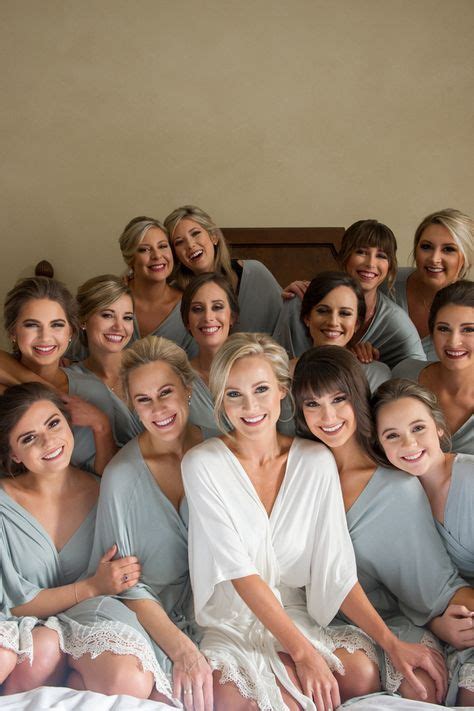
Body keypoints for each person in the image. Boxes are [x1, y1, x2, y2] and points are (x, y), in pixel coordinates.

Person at [182, 332, 446, 711]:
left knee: (361, 673)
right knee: (277, 695)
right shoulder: (201, 464)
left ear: (282, 391)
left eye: (260, 389)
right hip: (232, 620)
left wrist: (391, 642)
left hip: (296, 612)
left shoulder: (314, 460)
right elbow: (239, 572)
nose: (250, 406)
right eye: (234, 394)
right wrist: (303, 654)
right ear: (220, 399)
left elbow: (336, 571)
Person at [291, 345, 474, 702]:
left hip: (384, 618)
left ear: (358, 396)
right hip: (306, 610)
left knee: (420, 685)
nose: (327, 416)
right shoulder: (299, 466)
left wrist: (446, 619)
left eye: (338, 399)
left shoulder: (396, 489)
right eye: (312, 404)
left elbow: (434, 586)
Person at [0, 382, 168, 699]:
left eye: (53, 423)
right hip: (22, 623)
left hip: (92, 614)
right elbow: (16, 604)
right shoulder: (3, 505)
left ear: (68, 423)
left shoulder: (104, 490)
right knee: (40, 655)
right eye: (28, 438)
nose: (49, 441)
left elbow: (131, 573)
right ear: (14, 454)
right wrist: (91, 586)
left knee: (129, 681)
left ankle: (75, 680)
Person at [88, 336, 213, 710]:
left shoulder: (222, 451)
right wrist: (182, 649)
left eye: (166, 392)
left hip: (215, 611)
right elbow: (127, 586)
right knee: (151, 690)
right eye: (143, 399)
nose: (158, 408)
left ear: (188, 389)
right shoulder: (120, 476)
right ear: (132, 406)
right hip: (144, 616)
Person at [372, 378, 474, 707]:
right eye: (392, 435)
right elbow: (404, 584)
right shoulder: (392, 497)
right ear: (379, 446)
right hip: (448, 622)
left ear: (439, 427)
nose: (409, 443)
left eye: (418, 428)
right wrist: (437, 623)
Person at [0, 276, 117, 473]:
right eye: (31, 325)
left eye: (57, 325)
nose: (45, 337)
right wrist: (52, 396)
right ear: (13, 332)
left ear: (70, 332)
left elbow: (107, 477)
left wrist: (101, 426)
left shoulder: (92, 391)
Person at [278, 220, 426, 368]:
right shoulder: (300, 301)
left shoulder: (395, 321)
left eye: (381, 256)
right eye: (361, 252)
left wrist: (373, 362)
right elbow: (276, 364)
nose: (370, 263)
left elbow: (419, 372)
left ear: (390, 266)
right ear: (344, 256)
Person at [164, 205, 283, 338]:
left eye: (195, 233)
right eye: (179, 242)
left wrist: (295, 293)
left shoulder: (255, 273)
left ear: (214, 236)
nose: (190, 245)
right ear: (175, 255)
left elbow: (285, 319)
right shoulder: (174, 295)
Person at [392, 280, 473, 455]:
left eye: (468, 330)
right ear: (432, 332)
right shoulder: (404, 375)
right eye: (443, 329)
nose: (453, 342)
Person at [287, 271, 390, 392]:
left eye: (344, 313)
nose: (333, 322)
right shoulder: (282, 372)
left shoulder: (375, 375)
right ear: (307, 318)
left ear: (356, 323)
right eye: (323, 311)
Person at [391, 209, 473, 360]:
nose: (434, 258)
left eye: (448, 249)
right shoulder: (387, 284)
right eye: (426, 247)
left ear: (465, 257)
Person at [71, 274, 142, 443]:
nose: (119, 327)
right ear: (83, 320)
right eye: (107, 315)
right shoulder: (70, 379)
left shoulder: (149, 365)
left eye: (127, 318)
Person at [118, 216, 197, 357]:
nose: (157, 255)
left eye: (162, 246)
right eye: (144, 250)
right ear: (130, 259)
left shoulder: (188, 305)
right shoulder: (112, 299)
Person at [180, 272, 239, 438]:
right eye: (198, 309)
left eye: (217, 307)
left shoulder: (256, 370)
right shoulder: (178, 378)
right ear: (187, 322)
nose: (208, 317)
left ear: (232, 316)